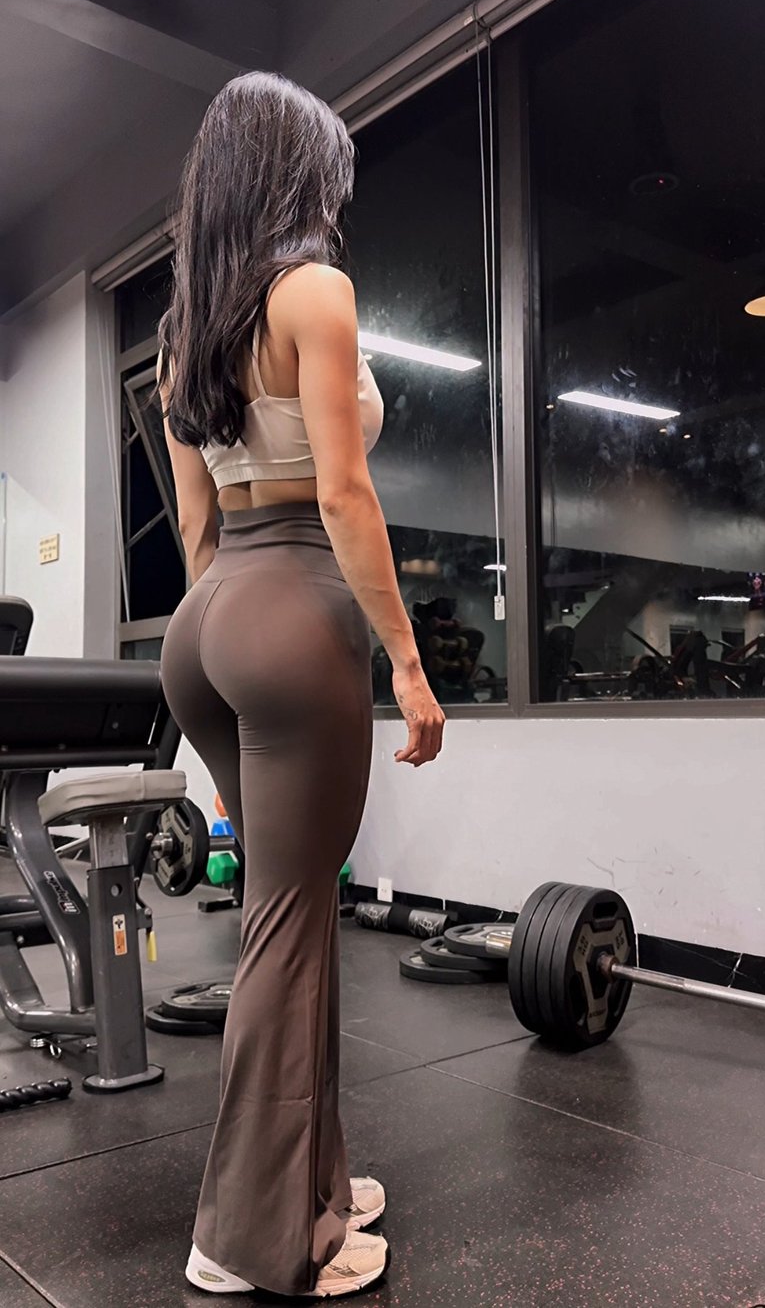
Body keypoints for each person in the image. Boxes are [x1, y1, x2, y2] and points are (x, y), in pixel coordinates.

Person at [157, 70, 446, 1299]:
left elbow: (196, 530)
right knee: (287, 919)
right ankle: (249, 1240)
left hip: (209, 622)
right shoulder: (313, 290)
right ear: (297, 176)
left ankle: (311, 1182)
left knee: (295, 911)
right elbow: (342, 493)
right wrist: (410, 663)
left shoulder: (186, 333)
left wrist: (228, 638)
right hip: (294, 606)